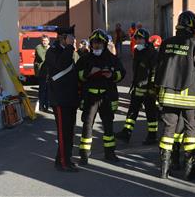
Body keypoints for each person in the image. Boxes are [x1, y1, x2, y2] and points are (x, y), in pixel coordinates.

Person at [155, 11, 195, 180]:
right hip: (190, 97)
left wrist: (156, 91)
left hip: (168, 96)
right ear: (193, 26)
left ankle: (164, 170)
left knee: (168, 131)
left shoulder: (166, 44)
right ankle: (190, 170)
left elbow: (158, 69)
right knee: (191, 132)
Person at [77, 29, 126, 165]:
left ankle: (110, 153)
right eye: (94, 43)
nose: (96, 46)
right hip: (90, 98)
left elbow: (122, 73)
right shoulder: (85, 58)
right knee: (87, 126)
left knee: (108, 126)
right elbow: (78, 74)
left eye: (99, 43)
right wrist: (88, 72)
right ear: (91, 44)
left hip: (106, 97)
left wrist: (112, 75)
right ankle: (84, 155)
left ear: (104, 44)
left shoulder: (112, 58)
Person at [44, 25, 79, 172]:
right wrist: (70, 48)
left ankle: (64, 159)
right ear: (61, 37)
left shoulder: (69, 51)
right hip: (59, 99)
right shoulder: (52, 52)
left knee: (70, 132)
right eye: (69, 37)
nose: (72, 40)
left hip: (70, 98)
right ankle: (63, 163)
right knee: (63, 133)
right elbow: (61, 65)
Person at [116, 28, 159, 145]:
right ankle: (126, 133)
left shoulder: (152, 53)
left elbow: (155, 71)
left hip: (148, 89)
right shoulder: (138, 52)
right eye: (137, 39)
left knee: (150, 113)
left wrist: (152, 88)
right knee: (132, 111)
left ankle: (152, 136)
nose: (138, 41)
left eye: (140, 39)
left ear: (146, 40)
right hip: (138, 87)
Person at [34, 35, 50, 112]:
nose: (45, 42)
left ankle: (46, 105)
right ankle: (41, 105)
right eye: (43, 40)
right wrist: (48, 50)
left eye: (46, 40)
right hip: (42, 71)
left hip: (49, 72)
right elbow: (43, 57)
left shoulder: (50, 48)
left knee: (48, 90)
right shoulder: (38, 47)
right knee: (42, 89)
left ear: (49, 41)